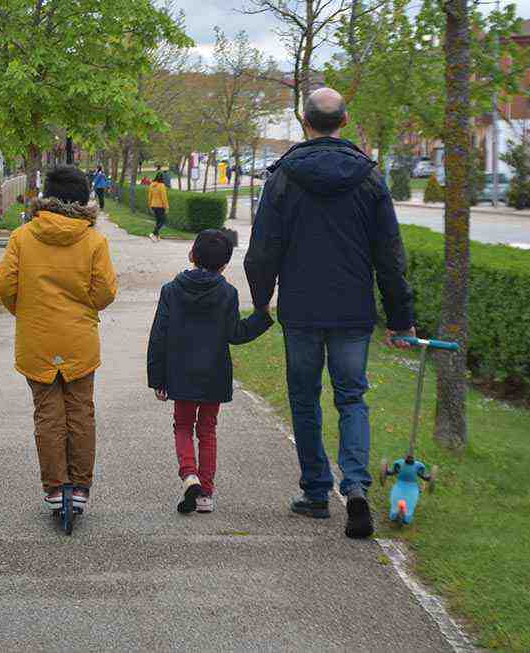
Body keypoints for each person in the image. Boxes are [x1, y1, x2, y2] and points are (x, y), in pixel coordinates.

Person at [244, 87, 416, 540]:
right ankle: (355, 486)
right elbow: (390, 255)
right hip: (352, 308)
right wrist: (400, 318)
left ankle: (317, 492)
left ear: (305, 121)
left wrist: (262, 299)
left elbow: (262, 248)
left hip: (301, 308)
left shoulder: (283, 177)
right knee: (351, 398)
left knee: (304, 398)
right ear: (344, 120)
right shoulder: (369, 179)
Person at [0, 165, 118, 515]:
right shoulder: (93, 240)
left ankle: (53, 487)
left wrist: (27, 310)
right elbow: (105, 292)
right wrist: (83, 308)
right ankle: (79, 486)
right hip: (79, 340)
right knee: (81, 413)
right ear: (83, 198)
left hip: (37, 340)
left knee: (47, 415)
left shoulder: (23, 236)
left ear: (46, 196)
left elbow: (5, 286)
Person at [148, 229, 273, 514]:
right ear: (225, 264)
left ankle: (188, 474)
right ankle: (205, 493)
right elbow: (235, 334)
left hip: (180, 374)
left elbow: (159, 335)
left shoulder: (171, 290)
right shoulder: (227, 293)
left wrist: (157, 377)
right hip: (213, 374)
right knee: (207, 430)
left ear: (192, 254)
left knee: (182, 426)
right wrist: (261, 317)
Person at [147, 172, 169, 242]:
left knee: (158, 221)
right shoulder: (162, 186)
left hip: (153, 205)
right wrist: (166, 207)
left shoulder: (151, 185)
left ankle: (157, 237)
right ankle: (153, 233)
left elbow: (149, 196)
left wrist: (149, 205)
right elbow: (164, 198)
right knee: (162, 221)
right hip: (160, 206)